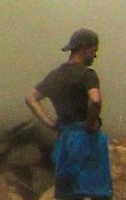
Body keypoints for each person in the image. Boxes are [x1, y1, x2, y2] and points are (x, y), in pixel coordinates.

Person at [26, 28, 112, 200]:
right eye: (94, 50)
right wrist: (89, 123)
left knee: (68, 194)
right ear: (85, 48)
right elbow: (95, 100)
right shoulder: (87, 74)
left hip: (66, 140)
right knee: (97, 192)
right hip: (88, 141)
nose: (95, 55)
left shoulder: (55, 76)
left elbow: (31, 99)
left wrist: (51, 123)